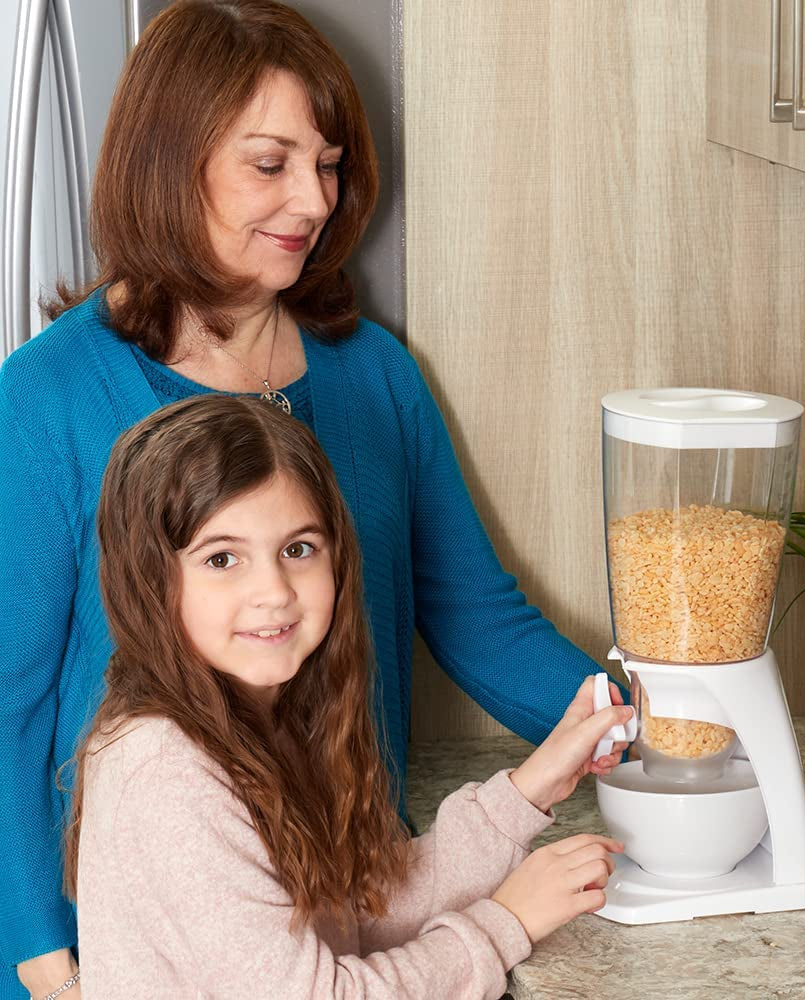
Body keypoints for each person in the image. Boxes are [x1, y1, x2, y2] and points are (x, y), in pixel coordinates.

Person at [0, 2, 625, 997]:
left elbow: (477, 614)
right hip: (119, 940)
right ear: (173, 163)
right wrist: (34, 945)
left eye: (327, 163)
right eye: (270, 162)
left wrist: (638, 722)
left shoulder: (374, 374)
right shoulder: (46, 399)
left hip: (350, 888)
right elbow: (10, 698)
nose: (313, 198)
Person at [66, 394, 631, 999]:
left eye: (298, 549)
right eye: (223, 558)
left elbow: (358, 917)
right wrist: (507, 924)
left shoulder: (263, 717)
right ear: (149, 582)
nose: (274, 591)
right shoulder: (166, 768)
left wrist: (531, 788)